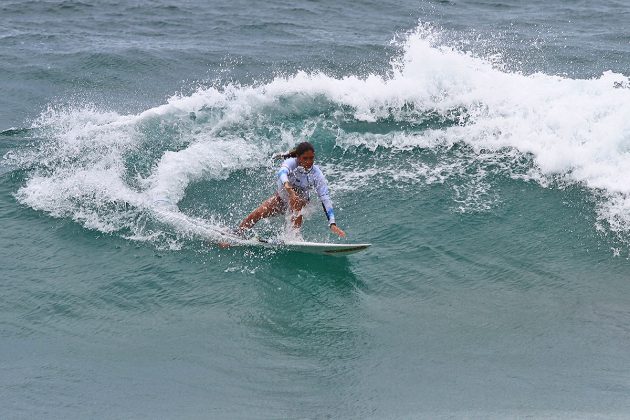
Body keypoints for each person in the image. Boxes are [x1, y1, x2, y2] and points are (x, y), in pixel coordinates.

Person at [237, 141, 346, 238]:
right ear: (298, 157)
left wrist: (332, 223)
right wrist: (290, 190)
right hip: (281, 199)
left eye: (311, 158)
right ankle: (237, 234)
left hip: (300, 202)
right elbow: (282, 173)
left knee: (297, 201)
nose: (309, 161)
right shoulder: (291, 163)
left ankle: (294, 237)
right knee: (258, 213)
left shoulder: (317, 174)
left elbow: (325, 198)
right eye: (305, 158)